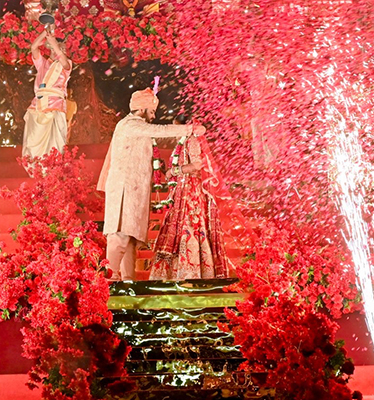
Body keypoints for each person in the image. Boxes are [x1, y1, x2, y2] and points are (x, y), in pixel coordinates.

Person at [98, 90, 203, 282]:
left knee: (129, 238)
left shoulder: (137, 127)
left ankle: (128, 281)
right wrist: (189, 129)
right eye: (151, 111)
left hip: (134, 188)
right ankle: (109, 279)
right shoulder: (129, 125)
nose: (153, 116)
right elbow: (160, 131)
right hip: (124, 188)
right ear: (141, 109)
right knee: (119, 234)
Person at [150, 130, 230, 281]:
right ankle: (175, 274)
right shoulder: (182, 140)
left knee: (190, 227)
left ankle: (192, 273)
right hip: (182, 189)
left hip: (191, 191)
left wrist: (174, 171)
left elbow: (197, 164)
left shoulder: (191, 139)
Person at [22, 26, 72, 159]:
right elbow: (34, 47)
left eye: (63, 49)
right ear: (50, 49)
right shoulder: (42, 64)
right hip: (38, 106)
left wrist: (55, 44)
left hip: (54, 106)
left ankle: (53, 170)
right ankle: (36, 167)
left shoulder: (65, 66)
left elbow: (63, 60)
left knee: (54, 144)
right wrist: (45, 32)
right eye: (56, 48)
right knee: (33, 140)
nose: (60, 51)